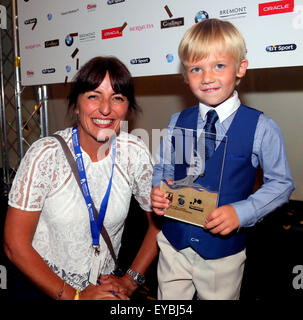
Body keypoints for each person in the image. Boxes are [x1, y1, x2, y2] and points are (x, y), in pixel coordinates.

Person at [151, 19, 295, 300]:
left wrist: (242, 212)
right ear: (186, 74)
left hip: (222, 256)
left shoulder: (262, 128)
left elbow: (281, 183)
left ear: (240, 68)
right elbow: (165, 167)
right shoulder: (177, 121)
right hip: (173, 244)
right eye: (196, 68)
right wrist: (159, 189)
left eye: (219, 65)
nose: (207, 77)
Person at [4, 56, 159, 300]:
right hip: (42, 288)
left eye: (117, 98)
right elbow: (14, 245)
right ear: (76, 105)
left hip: (103, 289)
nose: (106, 109)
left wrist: (131, 280)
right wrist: (76, 297)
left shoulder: (134, 153)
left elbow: (158, 224)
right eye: (93, 96)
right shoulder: (46, 155)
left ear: (127, 106)